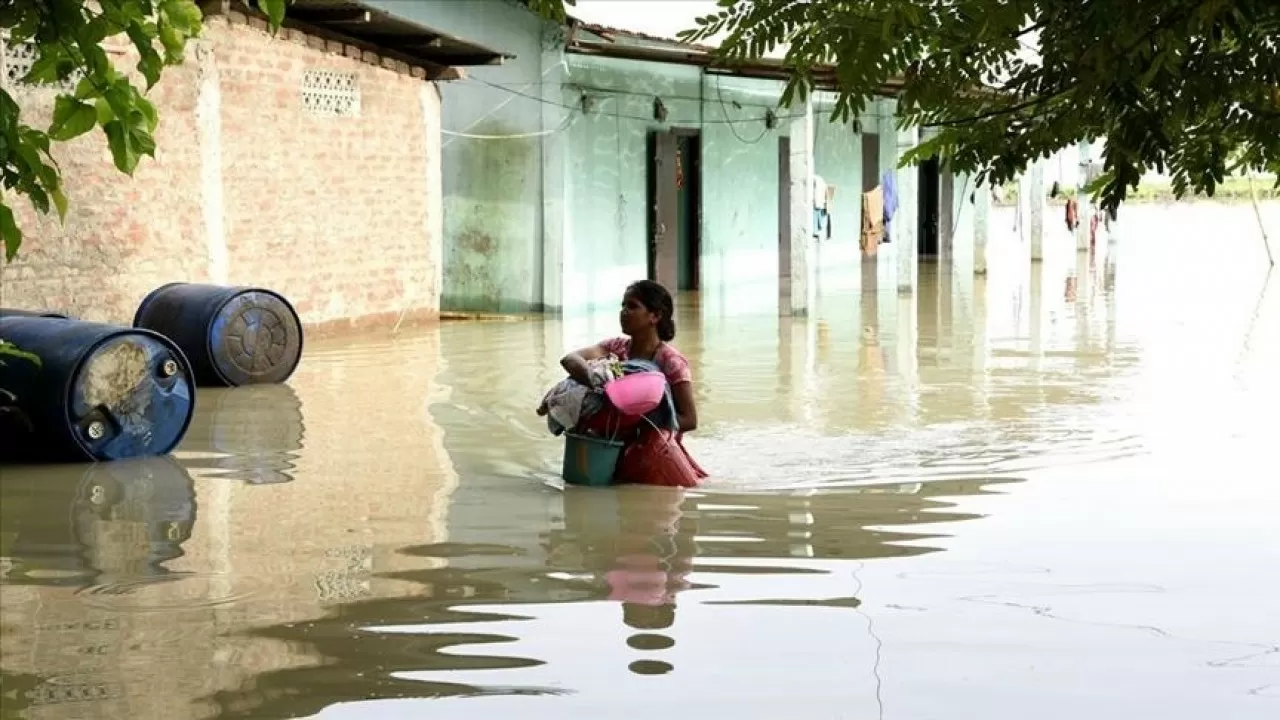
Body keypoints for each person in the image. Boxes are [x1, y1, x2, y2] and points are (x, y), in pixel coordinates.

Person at [559, 280, 706, 486]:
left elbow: (690, 420)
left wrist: (639, 418)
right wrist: (597, 382)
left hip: (654, 454)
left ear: (655, 316)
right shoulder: (615, 349)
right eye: (623, 306)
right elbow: (570, 359)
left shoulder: (671, 362)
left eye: (632, 306)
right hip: (609, 447)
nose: (624, 312)